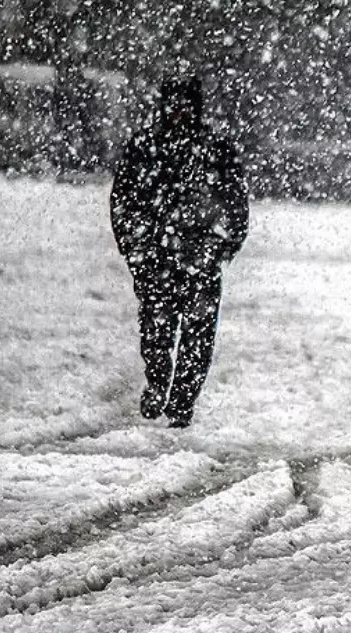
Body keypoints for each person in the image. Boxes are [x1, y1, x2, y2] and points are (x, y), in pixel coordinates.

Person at [110, 75, 249, 428]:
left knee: (197, 337)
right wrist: (135, 247)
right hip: (157, 257)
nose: (180, 113)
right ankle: (158, 383)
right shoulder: (145, 148)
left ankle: (182, 402)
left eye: (186, 105)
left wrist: (221, 247)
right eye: (175, 105)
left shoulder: (215, 150)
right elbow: (123, 201)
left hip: (198, 259)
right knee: (157, 330)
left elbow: (236, 205)